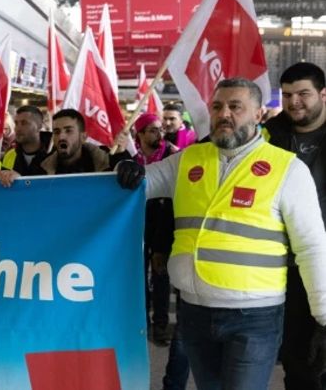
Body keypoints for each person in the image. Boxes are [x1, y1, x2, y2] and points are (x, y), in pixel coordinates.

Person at [116, 78, 326, 390]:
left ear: (257, 115)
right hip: (194, 312)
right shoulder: (187, 160)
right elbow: (131, 186)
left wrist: (323, 315)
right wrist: (122, 166)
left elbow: (311, 246)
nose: (223, 113)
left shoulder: (288, 169)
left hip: (254, 317)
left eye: (235, 106)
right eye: (217, 106)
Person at [263, 62, 326, 389]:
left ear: (323, 94)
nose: (294, 102)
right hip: (286, 263)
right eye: (287, 95)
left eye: (303, 94)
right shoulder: (268, 135)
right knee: (300, 358)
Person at [132, 113, 179, 347]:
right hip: (138, 228)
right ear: (139, 134)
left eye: (159, 129)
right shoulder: (133, 160)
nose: (158, 133)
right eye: (151, 129)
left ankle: (161, 326)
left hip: (164, 226)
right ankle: (142, 325)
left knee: (161, 277)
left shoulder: (173, 156)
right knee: (138, 279)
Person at [34, 109, 113, 176]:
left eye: (68, 131)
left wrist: (122, 160)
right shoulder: (40, 167)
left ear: (83, 137)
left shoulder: (108, 164)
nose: (61, 137)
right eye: (57, 132)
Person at [0, 105, 51, 183]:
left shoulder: (54, 154)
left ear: (39, 126)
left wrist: (21, 179)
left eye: (24, 123)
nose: (18, 128)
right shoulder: (10, 155)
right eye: (16, 123)